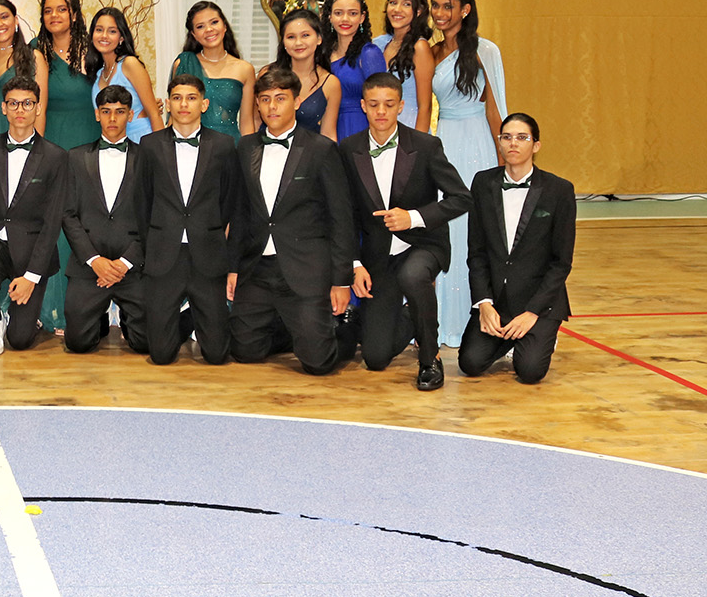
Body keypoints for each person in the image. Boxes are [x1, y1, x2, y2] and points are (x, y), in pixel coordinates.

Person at [341, 73, 472, 390]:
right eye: (374, 104)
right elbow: (345, 214)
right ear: (363, 106)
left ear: (400, 106)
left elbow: (461, 198)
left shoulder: (426, 145)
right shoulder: (348, 148)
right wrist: (355, 264)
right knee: (375, 357)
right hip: (378, 255)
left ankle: (430, 358)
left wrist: (413, 217)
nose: (381, 112)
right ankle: (414, 312)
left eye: (389, 105)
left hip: (423, 244)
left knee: (413, 276)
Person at [228, 67, 355, 376]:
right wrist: (233, 267)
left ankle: (347, 330)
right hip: (258, 268)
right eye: (265, 99)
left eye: (280, 98)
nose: (272, 107)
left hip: (305, 268)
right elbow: (240, 212)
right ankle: (293, 328)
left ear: (297, 102)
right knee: (244, 352)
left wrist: (341, 281)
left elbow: (341, 219)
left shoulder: (321, 149)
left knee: (318, 364)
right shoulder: (245, 147)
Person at [458, 113, 576, 385]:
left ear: (536, 145)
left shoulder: (559, 190)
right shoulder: (482, 183)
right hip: (498, 301)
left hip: (538, 303)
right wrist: (484, 304)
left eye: (522, 137)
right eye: (507, 137)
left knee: (530, 371)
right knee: (470, 363)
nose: (513, 143)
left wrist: (532, 312)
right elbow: (476, 252)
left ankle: (540, 334)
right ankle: (507, 340)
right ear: (499, 143)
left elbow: (561, 262)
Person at [139, 71, 242, 366]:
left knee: (217, 355)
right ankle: (181, 319)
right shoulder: (150, 144)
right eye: (177, 98)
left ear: (204, 104)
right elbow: (142, 202)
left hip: (206, 255)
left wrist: (213, 234)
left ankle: (192, 316)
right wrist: (150, 249)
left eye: (191, 98)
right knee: (160, 356)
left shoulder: (223, 145)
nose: (184, 104)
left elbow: (229, 200)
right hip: (164, 255)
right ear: (169, 103)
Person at [430, 0, 509, 349]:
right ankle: (443, 318)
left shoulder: (484, 50)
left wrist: (504, 162)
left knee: (475, 228)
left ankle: (478, 316)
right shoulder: (431, 51)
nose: (440, 13)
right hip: (445, 140)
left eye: (448, 6)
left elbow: (495, 109)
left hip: (477, 142)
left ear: (465, 10)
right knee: (446, 226)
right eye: (436, 5)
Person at [0, 76, 68, 356]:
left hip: (33, 249)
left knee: (20, 340)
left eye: (27, 103)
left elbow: (53, 222)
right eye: (13, 103)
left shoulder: (55, 156)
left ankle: (20, 320)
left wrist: (32, 276)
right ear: (4, 108)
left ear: (38, 108)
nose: (20, 110)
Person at [60, 85, 149, 354]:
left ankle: (126, 318)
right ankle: (97, 318)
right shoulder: (75, 157)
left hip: (132, 265)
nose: (112, 118)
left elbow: (154, 217)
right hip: (89, 265)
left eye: (120, 112)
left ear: (130, 115)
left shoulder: (148, 158)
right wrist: (94, 260)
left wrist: (125, 263)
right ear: (97, 114)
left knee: (146, 344)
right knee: (78, 344)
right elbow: (67, 214)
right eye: (106, 111)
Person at [36, 0, 97, 333]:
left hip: (90, 141)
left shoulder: (95, 48)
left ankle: (92, 306)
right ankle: (54, 308)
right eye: (48, 10)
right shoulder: (36, 50)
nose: (55, 16)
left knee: (89, 220)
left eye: (61, 9)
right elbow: (32, 100)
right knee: (57, 222)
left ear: (74, 14)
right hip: (55, 142)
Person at [169, 0, 255, 139]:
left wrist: (249, 151)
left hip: (231, 144)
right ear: (193, 34)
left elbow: (247, 123)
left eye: (214, 22)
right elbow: (174, 117)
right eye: (200, 26)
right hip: (192, 143)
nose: (209, 29)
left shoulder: (245, 69)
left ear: (225, 26)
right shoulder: (184, 63)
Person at [0, 0, 47, 144]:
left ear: (16, 20)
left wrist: (36, 147)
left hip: (21, 133)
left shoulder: (34, 57)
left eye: (4, 17)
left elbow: (41, 110)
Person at [87, 7, 162, 142]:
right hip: (115, 143)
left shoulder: (129, 64)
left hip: (142, 139)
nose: (104, 36)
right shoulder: (98, 74)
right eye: (99, 30)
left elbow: (154, 113)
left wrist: (162, 150)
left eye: (112, 31)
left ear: (121, 38)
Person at [373, 0, 434, 131]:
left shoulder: (420, 48)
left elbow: (425, 107)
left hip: (409, 131)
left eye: (406, 4)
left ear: (419, 11)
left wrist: (418, 143)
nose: (397, 9)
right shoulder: (378, 44)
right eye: (393, 2)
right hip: (379, 131)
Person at [327, 0, 387, 140]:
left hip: (360, 128)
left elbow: (382, 98)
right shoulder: (323, 54)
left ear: (362, 17)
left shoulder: (369, 53)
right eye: (338, 13)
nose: (345, 19)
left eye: (352, 13)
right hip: (327, 129)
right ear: (330, 17)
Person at [273, 7, 341, 139]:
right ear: (283, 42)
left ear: (319, 38)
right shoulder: (268, 74)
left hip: (311, 151)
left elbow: (328, 134)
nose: (298, 43)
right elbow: (255, 121)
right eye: (291, 37)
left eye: (305, 35)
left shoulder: (330, 83)